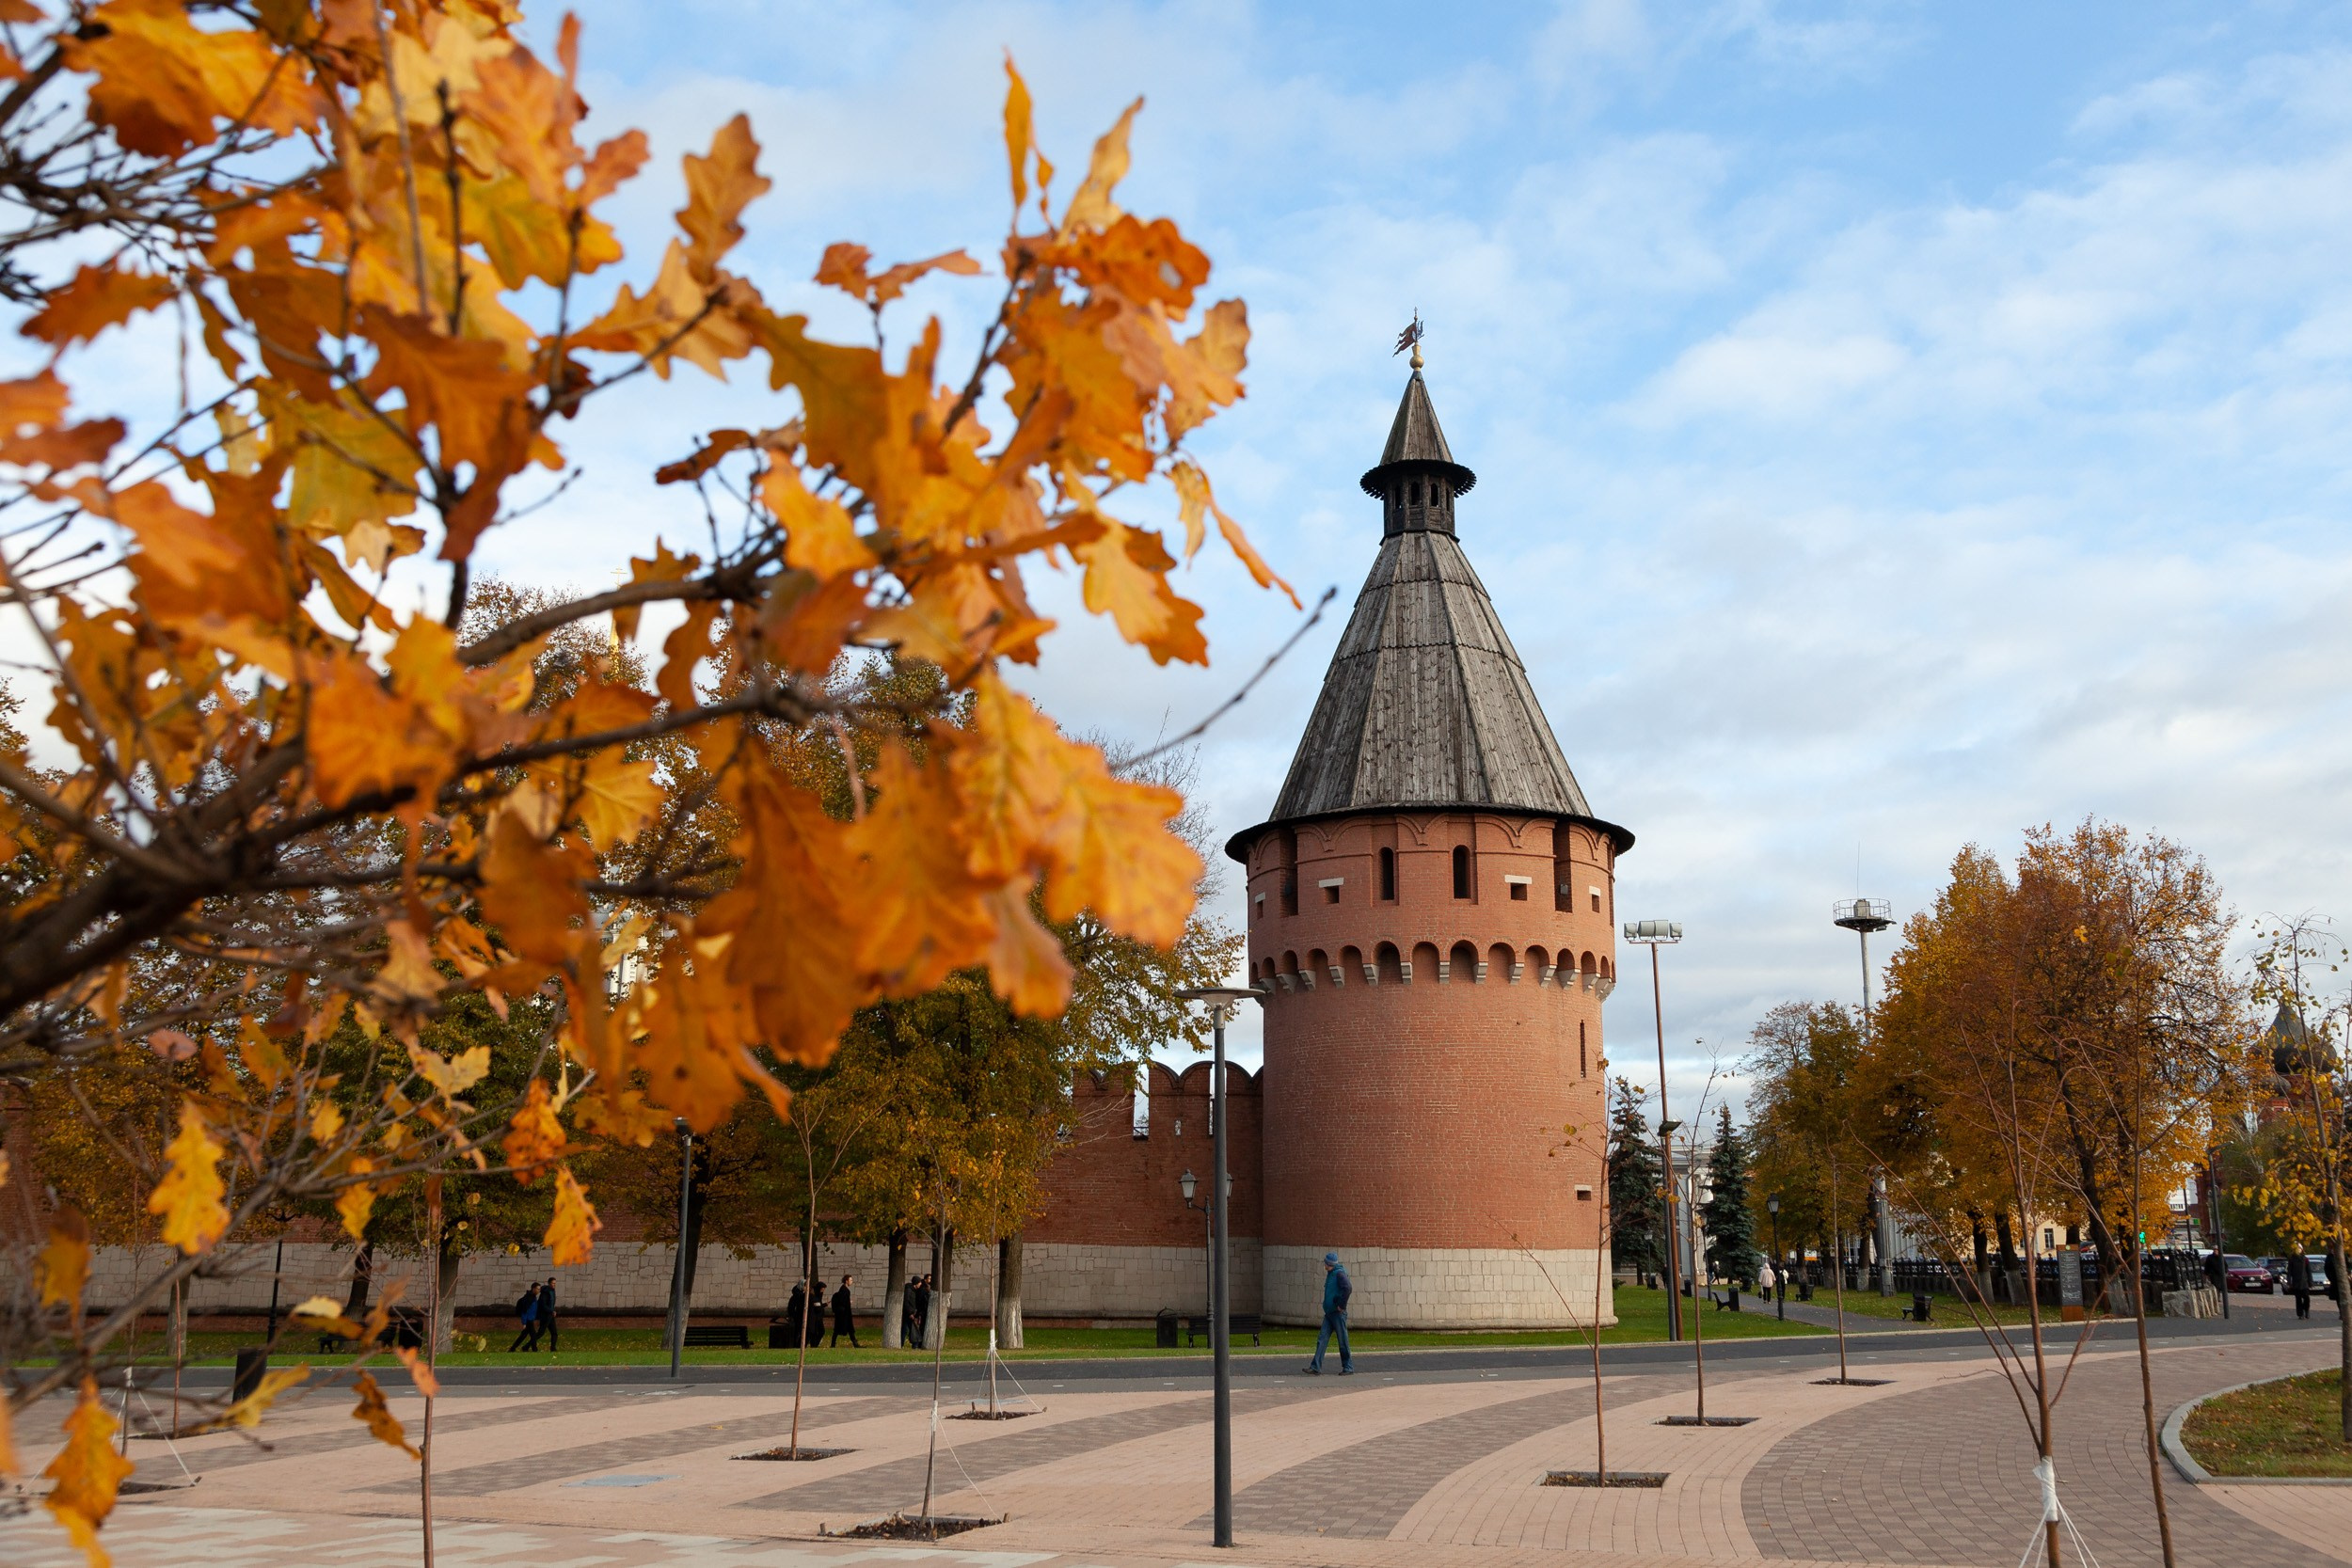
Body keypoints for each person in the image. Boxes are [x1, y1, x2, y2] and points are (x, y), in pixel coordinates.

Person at [1304, 1252, 1353, 1374]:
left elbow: (1348, 1288)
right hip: (1330, 1313)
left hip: (1337, 1313)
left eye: (1325, 1263)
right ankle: (1316, 1366)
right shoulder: (1332, 1273)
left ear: (1328, 1264)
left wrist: (1341, 1305)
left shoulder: (1339, 1273)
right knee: (1322, 1339)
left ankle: (1348, 1367)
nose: (1324, 1265)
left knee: (1342, 1341)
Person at [508, 1282, 542, 1353]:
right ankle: (534, 1350)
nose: (539, 1291)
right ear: (533, 1289)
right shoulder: (529, 1298)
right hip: (528, 1320)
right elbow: (524, 1311)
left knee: (523, 1336)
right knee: (533, 1335)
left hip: (530, 1319)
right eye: (538, 1289)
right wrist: (524, 1323)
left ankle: (513, 1348)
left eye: (539, 1289)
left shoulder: (533, 1297)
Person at [830, 1275, 859, 1348]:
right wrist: (849, 1302)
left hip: (843, 1313)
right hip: (843, 1314)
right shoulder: (845, 1290)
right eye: (851, 1280)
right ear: (846, 1281)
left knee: (848, 1329)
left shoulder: (844, 1289)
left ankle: (855, 1344)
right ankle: (833, 1344)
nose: (852, 1282)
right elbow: (842, 1302)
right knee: (838, 1329)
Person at [2290, 1252, 2314, 1320]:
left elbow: (2309, 1271)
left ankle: (2306, 1310)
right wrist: (2289, 1282)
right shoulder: (2292, 1260)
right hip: (2296, 1282)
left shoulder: (2305, 1259)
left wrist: (2310, 1282)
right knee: (2298, 1298)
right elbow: (2289, 1272)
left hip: (2305, 1282)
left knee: (2306, 1297)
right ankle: (2300, 1314)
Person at [538, 1278, 560, 1353]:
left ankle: (553, 1348)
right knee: (540, 1333)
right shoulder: (545, 1292)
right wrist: (551, 1311)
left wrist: (553, 1311)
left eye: (555, 1283)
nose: (554, 1285)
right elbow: (543, 1305)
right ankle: (527, 1346)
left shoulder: (552, 1291)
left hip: (550, 1315)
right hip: (545, 1315)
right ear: (549, 1283)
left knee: (554, 1333)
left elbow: (551, 1303)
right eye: (553, 1283)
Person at [786, 1279, 807, 1346]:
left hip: (798, 1316)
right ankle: (796, 1344)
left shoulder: (800, 1294)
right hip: (797, 1317)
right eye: (805, 1286)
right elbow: (792, 1308)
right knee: (797, 1331)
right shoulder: (798, 1296)